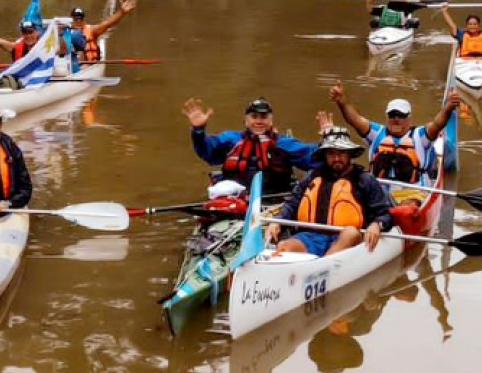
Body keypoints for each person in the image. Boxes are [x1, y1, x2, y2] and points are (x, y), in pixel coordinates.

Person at [264, 127, 393, 257]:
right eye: (331, 153)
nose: (337, 158)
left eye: (341, 153)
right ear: (324, 155)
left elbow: (384, 213)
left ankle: (323, 265)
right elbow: (291, 205)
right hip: (311, 237)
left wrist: (377, 224)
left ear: (350, 154)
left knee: (351, 233)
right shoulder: (312, 176)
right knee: (284, 246)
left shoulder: (365, 180)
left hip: (346, 238)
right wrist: (277, 221)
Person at [329, 81, 460, 205]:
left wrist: (448, 107)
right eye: (392, 115)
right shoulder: (376, 134)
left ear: (409, 118)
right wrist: (342, 102)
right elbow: (354, 120)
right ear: (387, 117)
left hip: (412, 194)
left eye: (401, 116)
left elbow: (437, 124)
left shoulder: (420, 136)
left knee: (409, 206)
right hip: (378, 192)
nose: (396, 120)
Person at [182, 97, 321, 194]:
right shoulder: (230, 139)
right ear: (246, 120)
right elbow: (207, 150)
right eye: (254, 117)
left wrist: (327, 140)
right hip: (236, 199)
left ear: (271, 121)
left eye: (263, 117)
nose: (259, 121)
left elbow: (313, 158)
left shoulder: (284, 144)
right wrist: (198, 131)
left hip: (274, 201)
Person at [69, 0, 137, 65]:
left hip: (90, 66)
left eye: (80, 18)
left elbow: (106, 24)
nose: (78, 21)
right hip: (72, 67)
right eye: (76, 18)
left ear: (84, 19)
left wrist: (121, 13)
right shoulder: (65, 31)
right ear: (70, 19)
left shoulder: (91, 30)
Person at [0, 13, 67, 62]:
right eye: (25, 33)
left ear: (37, 32)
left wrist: (60, 35)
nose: (28, 36)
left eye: (30, 32)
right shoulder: (17, 47)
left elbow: (62, 51)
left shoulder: (44, 46)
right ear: (22, 34)